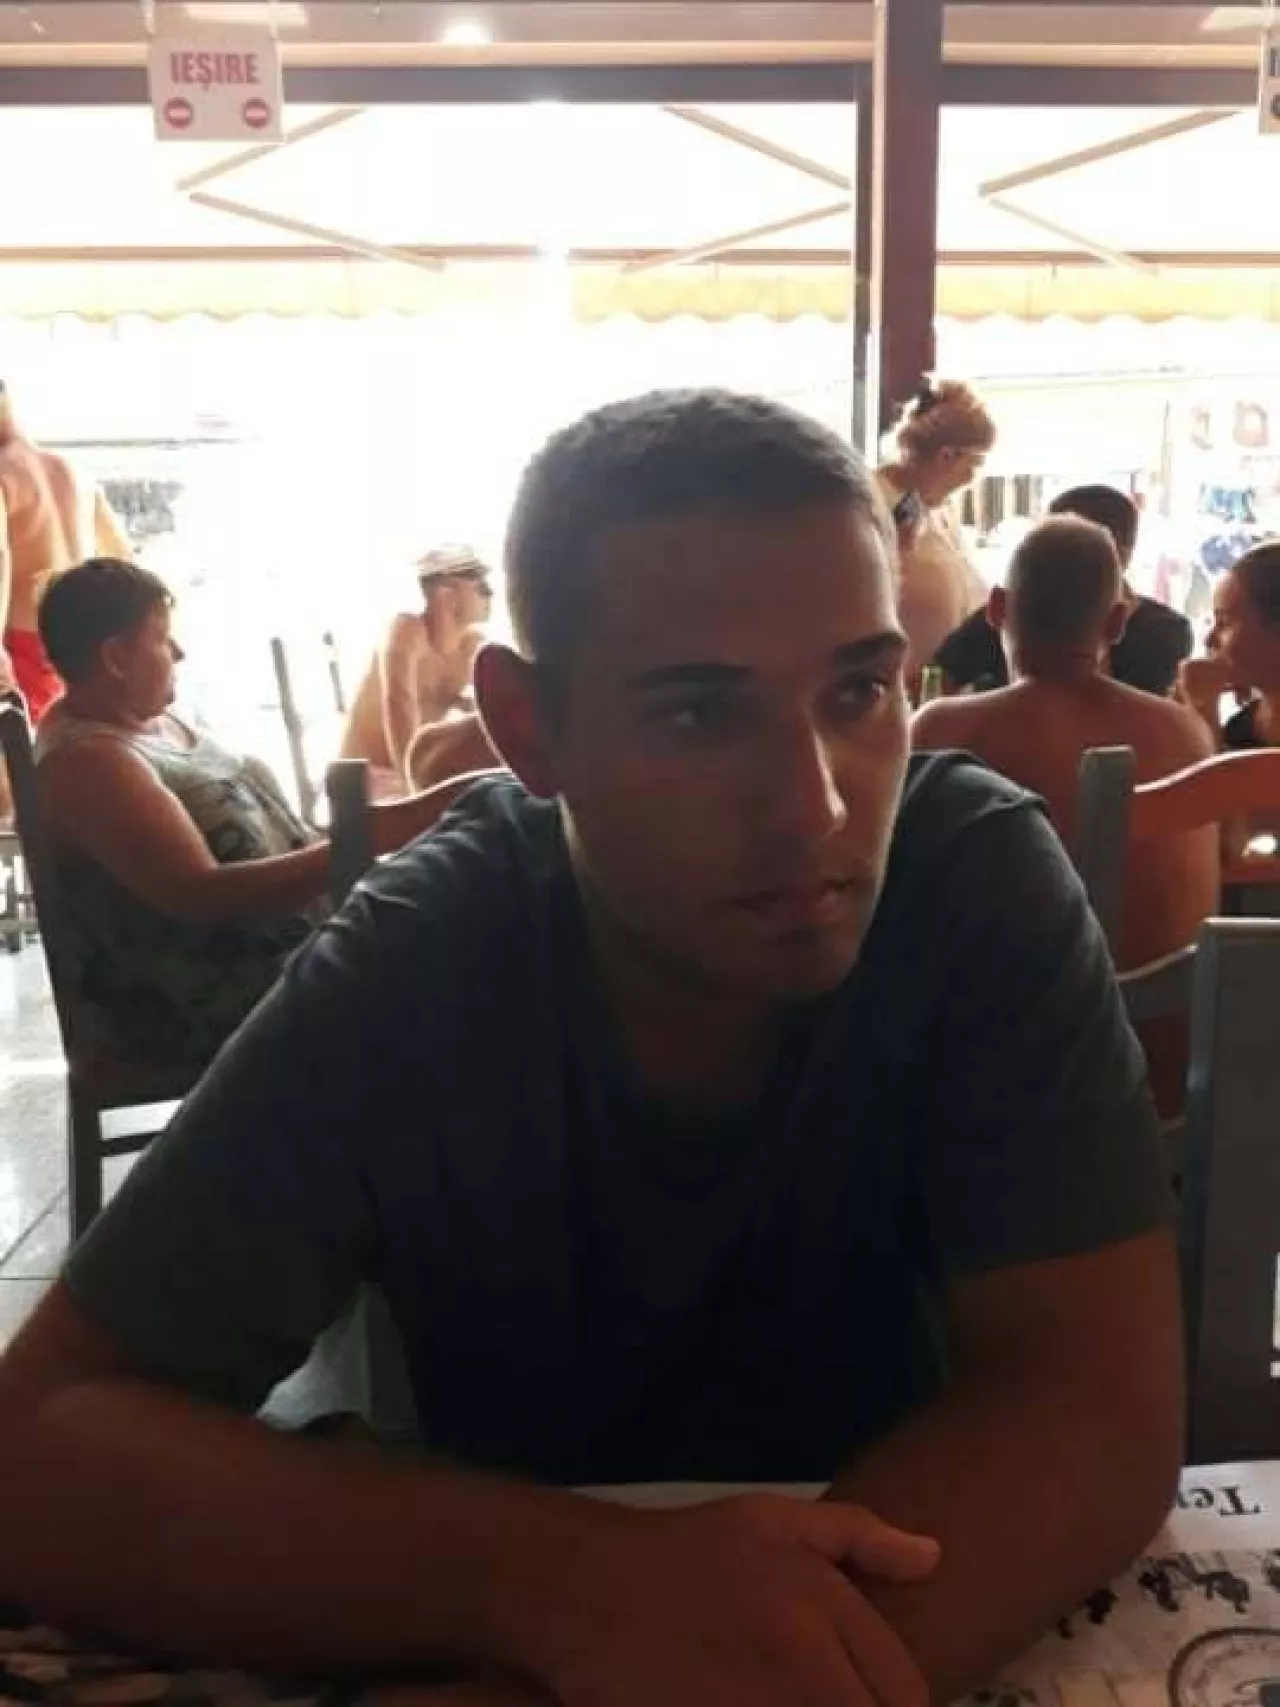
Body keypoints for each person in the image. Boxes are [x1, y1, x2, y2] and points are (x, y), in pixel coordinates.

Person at [0, 394, 1178, 1707]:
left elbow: (1091, 1398)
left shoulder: (970, 882)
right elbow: (38, 1444)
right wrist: (558, 1583)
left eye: (860, 690)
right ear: (527, 727)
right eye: (697, 715)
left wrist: (705, 1656)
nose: (815, 805)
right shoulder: (426, 955)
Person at [33, 558, 486, 1070]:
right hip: (219, 996)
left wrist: (383, 835)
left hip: (294, 949)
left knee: (480, 914)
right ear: (115, 658)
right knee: (472, 960)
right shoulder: (90, 763)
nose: (178, 652)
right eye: (161, 638)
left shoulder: (149, 721)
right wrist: (368, 837)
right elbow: (203, 895)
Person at [912, 516, 1216, 974]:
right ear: (1116, 623)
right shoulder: (1184, 732)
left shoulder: (941, 731)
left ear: (996, 608)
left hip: (1017, 1017)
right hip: (1174, 1016)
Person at [933, 486, 1192, 699]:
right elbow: (935, 679)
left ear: (1122, 553)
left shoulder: (1162, 631)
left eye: (1074, 547)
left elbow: (1119, 711)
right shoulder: (1011, 613)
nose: (1051, 559)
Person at [0, 381, 131, 725]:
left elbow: (0, 559)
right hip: (86, 637)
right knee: (75, 734)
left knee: (31, 748)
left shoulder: (4, 476)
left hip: (28, 641)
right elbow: (121, 556)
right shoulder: (75, 470)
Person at [340, 545, 494, 796]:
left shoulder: (472, 647)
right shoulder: (407, 632)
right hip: (365, 778)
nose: (490, 595)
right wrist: (416, 793)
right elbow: (399, 705)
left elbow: (489, 716)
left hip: (410, 775)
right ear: (446, 593)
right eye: (481, 587)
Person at [876, 380, 995, 678]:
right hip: (893, 678)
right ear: (947, 456)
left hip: (941, 680)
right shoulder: (872, 501)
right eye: (976, 463)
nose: (973, 477)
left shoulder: (941, 510)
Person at [1179, 541, 1280, 751]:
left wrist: (1203, 711)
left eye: (1224, 623)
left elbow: (1219, 775)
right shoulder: (1240, 728)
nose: (1209, 640)